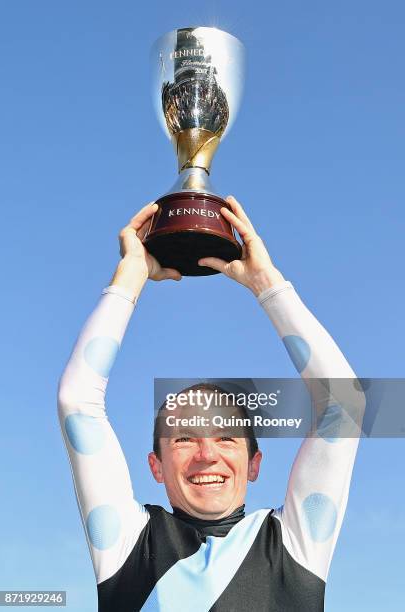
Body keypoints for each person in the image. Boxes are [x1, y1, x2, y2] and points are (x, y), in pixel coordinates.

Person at [57, 196, 364, 611]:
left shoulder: (293, 544)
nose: (207, 455)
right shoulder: (130, 544)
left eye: (226, 438)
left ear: (255, 464)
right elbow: (77, 403)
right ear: (156, 465)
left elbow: (344, 403)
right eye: (184, 438)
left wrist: (267, 283)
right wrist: (130, 277)